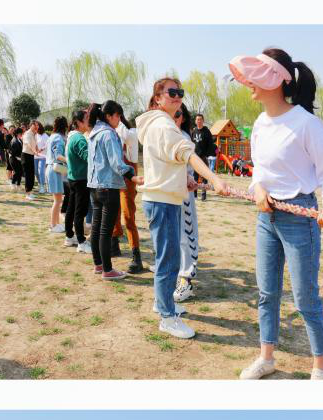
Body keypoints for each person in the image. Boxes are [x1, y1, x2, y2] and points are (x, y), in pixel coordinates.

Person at [228, 50, 323, 379]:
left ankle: (320, 367)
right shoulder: (260, 124)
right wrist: (257, 190)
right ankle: (266, 358)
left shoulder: (307, 124)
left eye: (256, 77)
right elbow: (258, 173)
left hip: (300, 216)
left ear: (276, 79)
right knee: (267, 293)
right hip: (267, 218)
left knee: (305, 297)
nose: (249, 84)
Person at [136, 80, 230, 340]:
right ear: (157, 98)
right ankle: (167, 318)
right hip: (163, 202)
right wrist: (214, 178)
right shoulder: (164, 125)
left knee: (167, 258)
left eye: (180, 93)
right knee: (169, 261)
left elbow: (167, 162)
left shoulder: (156, 123)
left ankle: (163, 304)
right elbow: (188, 155)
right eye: (171, 92)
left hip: (163, 198)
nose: (177, 97)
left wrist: (184, 179)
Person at [87, 102, 136, 282]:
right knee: (105, 231)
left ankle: (99, 264)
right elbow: (117, 163)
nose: (119, 120)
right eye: (118, 116)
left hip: (95, 186)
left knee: (97, 227)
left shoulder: (93, 133)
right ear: (109, 116)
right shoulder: (108, 134)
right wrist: (132, 175)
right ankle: (107, 270)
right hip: (108, 186)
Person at [174, 104, 201, 306]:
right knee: (173, 237)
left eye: (177, 114)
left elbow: (190, 166)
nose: (173, 117)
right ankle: (177, 274)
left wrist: (189, 178)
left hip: (183, 193)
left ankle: (186, 279)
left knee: (186, 235)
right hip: (166, 195)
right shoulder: (164, 133)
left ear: (183, 117)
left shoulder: (183, 137)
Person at [115, 109, 144, 272]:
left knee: (128, 215)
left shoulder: (131, 131)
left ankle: (136, 254)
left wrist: (118, 123)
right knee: (113, 213)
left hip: (128, 178)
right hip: (113, 177)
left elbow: (127, 137)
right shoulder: (109, 131)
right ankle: (114, 243)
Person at [64, 111, 92, 253]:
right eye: (86, 118)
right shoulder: (80, 138)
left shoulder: (72, 136)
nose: (89, 121)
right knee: (80, 212)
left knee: (71, 209)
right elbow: (89, 157)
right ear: (79, 122)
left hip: (73, 178)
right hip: (80, 179)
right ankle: (81, 241)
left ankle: (70, 236)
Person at [45, 115, 68, 232]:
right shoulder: (59, 138)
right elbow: (58, 155)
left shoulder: (52, 136)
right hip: (55, 169)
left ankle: (57, 224)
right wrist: (69, 160)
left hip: (52, 168)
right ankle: (53, 225)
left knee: (57, 200)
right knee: (57, 200)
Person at [191, 113, 215, 201]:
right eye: (197, 119)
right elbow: (191, 143)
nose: (199, 121)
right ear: (195, 121)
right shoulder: (194, 131)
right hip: (195, 157)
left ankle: (204, 195)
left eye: (200, 119)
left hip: (204, 157)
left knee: (205, 176)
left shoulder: (206, 131)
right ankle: (194, 194)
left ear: (203, 121)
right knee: (195, 176)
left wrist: (208, 155)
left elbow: (210, 144)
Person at [22, 120, 39, 199]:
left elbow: (35, 144)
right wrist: (34, 151)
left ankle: (30, 191)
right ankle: (27, 194)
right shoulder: (27, 133)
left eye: (37, 125)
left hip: (31, 155)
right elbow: (28, 144)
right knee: (28, 175)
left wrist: (37, 149)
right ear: (31, 125)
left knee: (32, 175)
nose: (37, 127)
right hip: (26, 155)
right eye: (35, 125)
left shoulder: (34, 134)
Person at [35, 125, 49, 194]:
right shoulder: (35, 135)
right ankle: (40, 183)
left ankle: (42, 186)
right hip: (35, 156)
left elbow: (47, 144)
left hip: (43, 156)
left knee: (41, 171)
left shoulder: (45, 135)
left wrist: (42, 149)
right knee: (36, 172)